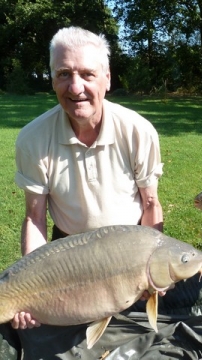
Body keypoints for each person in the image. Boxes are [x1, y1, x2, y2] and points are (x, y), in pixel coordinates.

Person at [12, 26, 164, 330]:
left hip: (129, 252)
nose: (75, 87)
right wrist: (29, 283)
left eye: (87, 74)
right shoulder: (32, 138)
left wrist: (153, 266)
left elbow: (150, 204)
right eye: (64, 74)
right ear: (53, 79)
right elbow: (35, 218)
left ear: (107, 78)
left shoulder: (138, 130)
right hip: (66, 253)